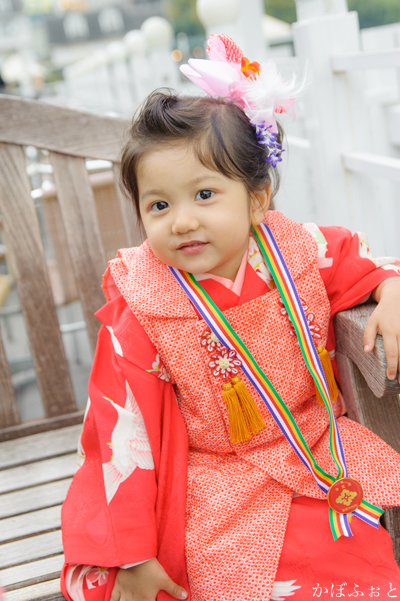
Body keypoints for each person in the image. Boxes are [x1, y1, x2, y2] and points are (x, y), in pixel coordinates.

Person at [60, 34, 400, 601]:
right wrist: (134, 549)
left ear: (257, 198)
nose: (182, 221)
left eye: (205, 194)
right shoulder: (142, 297)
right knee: (212, 572)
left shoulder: (296, 250)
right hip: (213, 473)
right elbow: (121, 427)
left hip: (315, 445)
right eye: (159, 205)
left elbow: (365, 267)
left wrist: (392, 290)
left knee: (337, 563)